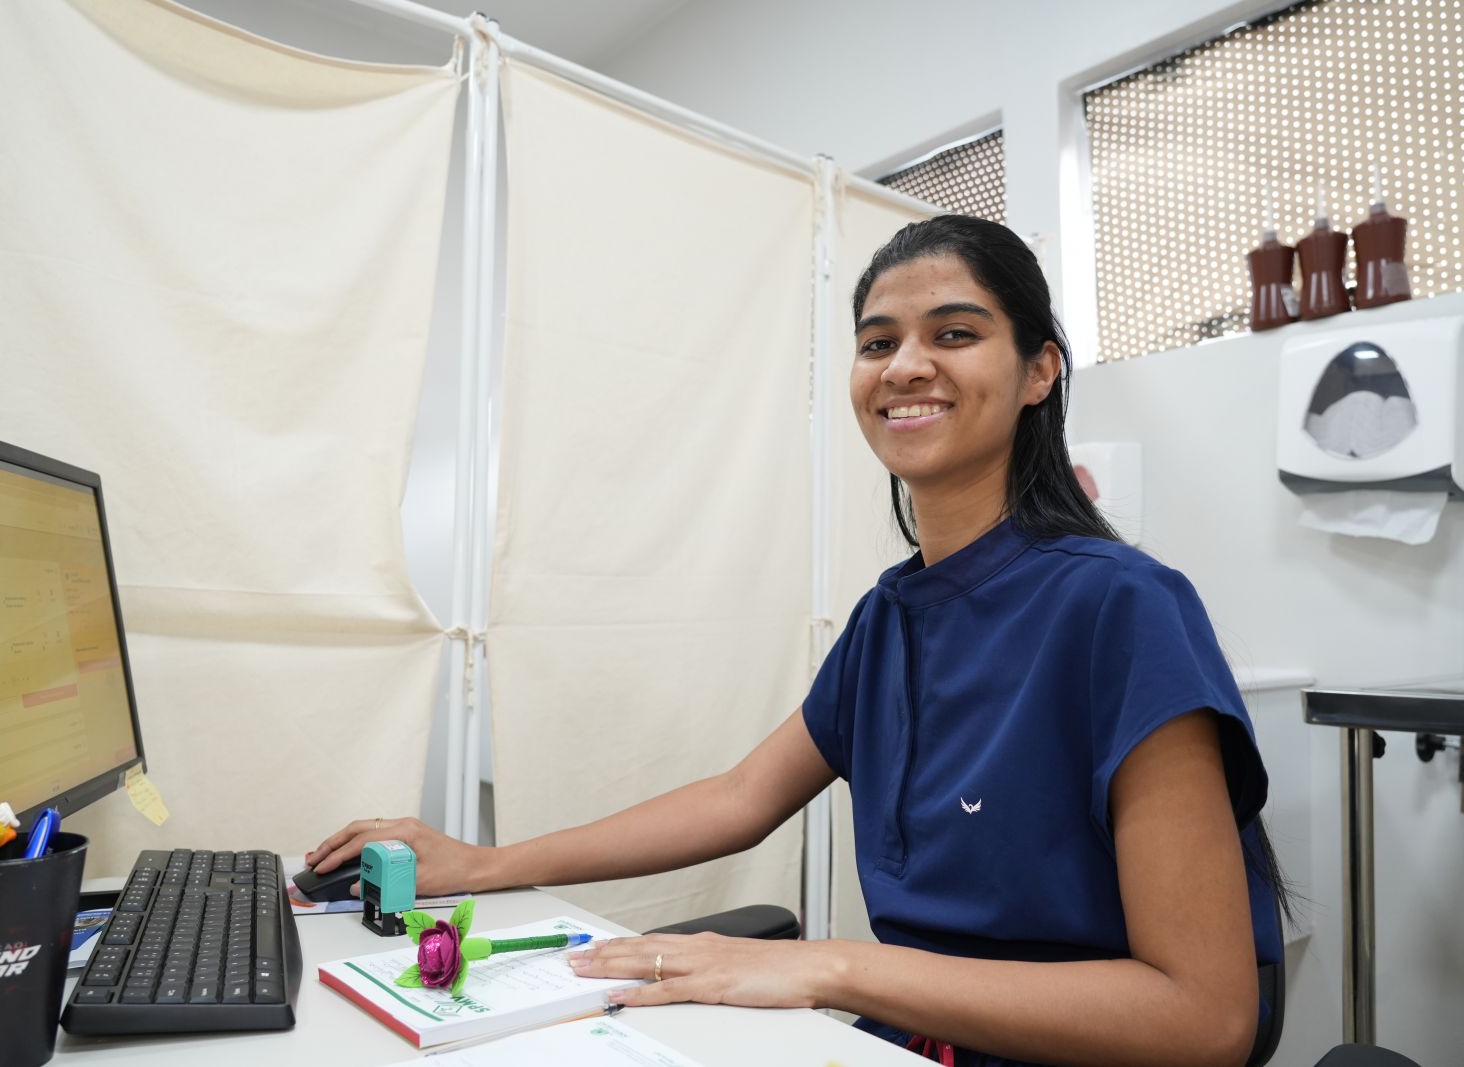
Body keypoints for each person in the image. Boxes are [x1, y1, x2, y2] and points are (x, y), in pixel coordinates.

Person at [307, 215, 1285, 1067]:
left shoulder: (1122, 607)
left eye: (954, 333)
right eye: (877, 341)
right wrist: (482, 862)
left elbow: (1202, 1018)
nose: (905, 365)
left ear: (1039, 369)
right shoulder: (888, 616)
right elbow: (739, 797)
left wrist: (825, 963)